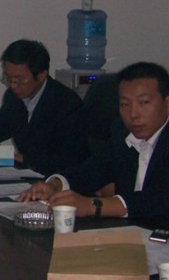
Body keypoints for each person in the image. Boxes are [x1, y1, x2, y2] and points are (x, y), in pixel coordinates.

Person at [18, 62, 169, 228]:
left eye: (144, 102)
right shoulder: (121, 131)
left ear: (167, 103)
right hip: (133, 232)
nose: (133, 114)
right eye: (125, 104)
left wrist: (93, 205)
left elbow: (159, 199)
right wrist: (55, 185)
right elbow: (93, 170)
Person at [0, 39, 88, 176]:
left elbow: (65, 161)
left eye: (19, 80)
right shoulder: (14, 96)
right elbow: (0, 125)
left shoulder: (67, 104)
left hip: (56, 180)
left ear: (41, 75)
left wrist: (8, 156)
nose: (12, 85)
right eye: (8, 78)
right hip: (27, 175)